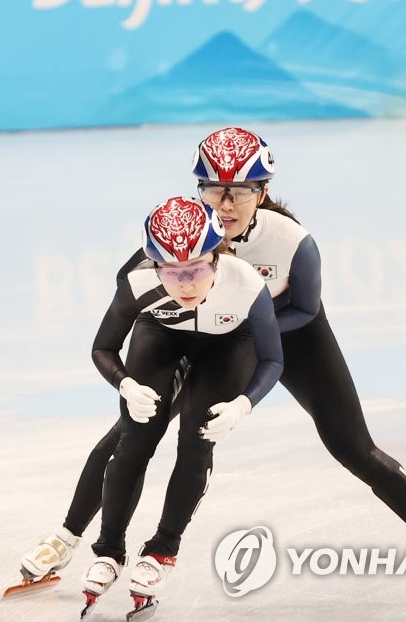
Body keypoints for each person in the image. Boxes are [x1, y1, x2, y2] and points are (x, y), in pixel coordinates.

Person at [16, 127, 406, 612]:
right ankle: (66, 538)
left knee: (353, 447)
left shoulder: (292, 242)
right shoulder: (185, 233)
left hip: (290, 333)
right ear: (198, 189)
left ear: (261, 192)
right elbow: (135, 286)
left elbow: (306, 309)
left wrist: (240, 323)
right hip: (206, 332)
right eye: (214, 189)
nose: (226, 205)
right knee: (135, 428)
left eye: (241, 192)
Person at [69, 195, 284, 617]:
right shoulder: (138, 282)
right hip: (161, 332)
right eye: (172, 272)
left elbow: (273, 359)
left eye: (197, 270)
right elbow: (102, 347)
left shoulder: (245, 282)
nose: (185, 284)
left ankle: (163, 549)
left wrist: (244, 404)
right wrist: (125, 383)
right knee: (136, 435)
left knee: (197, 439)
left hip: (227, 345)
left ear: (217, 259)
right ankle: (109, 550)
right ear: (155, 266)